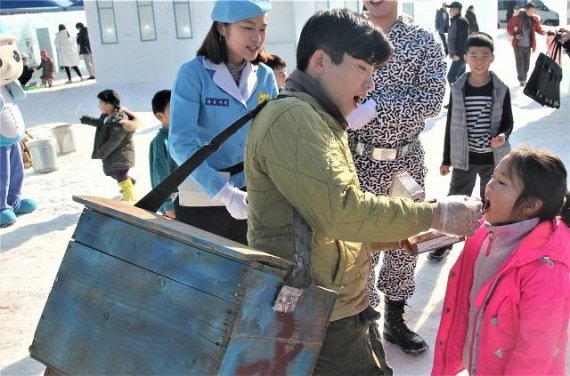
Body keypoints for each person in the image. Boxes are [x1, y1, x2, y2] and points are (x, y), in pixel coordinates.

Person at [245, 8, 482, 375]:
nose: (371, 84)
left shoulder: (320, 118)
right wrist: (436, 213)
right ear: (321, 61)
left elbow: (329, 228)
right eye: (363, 69)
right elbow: (342, 213)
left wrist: (404, 233)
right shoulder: (294, 119)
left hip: (339, 306)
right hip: (320, 311)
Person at [346, 0, 446, 354]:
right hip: (357, 159)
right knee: (358, 243)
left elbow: (433, 98)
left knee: (406, 240)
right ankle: (364, 313)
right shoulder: (348, 34)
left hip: (405, 161)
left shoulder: (422, 39)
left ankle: (395, 317)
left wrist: (376, 106)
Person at [432, 146, 570, 375]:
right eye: (494, 175)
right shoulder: (486, 232)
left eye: (501, 182)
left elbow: (535, 353)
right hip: (479, 363)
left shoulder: (545, 270)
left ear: (531, 205)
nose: (489, 185)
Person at [169, 0, 278, 245]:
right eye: (247, 28)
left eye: (262, 29)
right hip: (203, 197)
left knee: (252, 274)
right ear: (221, 28)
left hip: (253, 196)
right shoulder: (193, 74)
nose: (257, 38)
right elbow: (180, 144)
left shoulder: (265, 76)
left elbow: (272, 138)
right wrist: (224, 194)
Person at [431, 32, 514, 262]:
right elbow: (451, 125)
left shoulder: (500, 88)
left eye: (484, 55)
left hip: (492, 159)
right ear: (465, 58)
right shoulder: (458, 88)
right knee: (455, 202)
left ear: (492, 58)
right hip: (464, 158)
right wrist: (446, 158)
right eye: (474, 55)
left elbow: (508, 121)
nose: (479, 60)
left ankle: (489, 241)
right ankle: (445, 241)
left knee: (490, 202)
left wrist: (502, 135)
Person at [80, 90, 140, 202]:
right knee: (114, 174)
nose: (99, 105)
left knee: (120, 174)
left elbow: (115, 140)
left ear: (109, 105)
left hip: (121, 154)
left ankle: (130, 200)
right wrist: (86, 120)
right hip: (113, 155)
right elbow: (100, 123)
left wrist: (102, 152)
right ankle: (129, 183)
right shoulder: (106, 116)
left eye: (101, 102)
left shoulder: (120, 121)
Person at [149, 89, 178, 218]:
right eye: (175, 108)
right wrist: (168, 205)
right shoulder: (161, 142)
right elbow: (160, 176)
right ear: (161, 116)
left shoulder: (185, 136)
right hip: (175, 204)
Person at [507, 2, 546, 87]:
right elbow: (509, 27)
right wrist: (515, 34)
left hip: (528, 46)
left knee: (527, 65)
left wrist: (544, 32)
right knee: (520, 63)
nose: (532, 12)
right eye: (531, 10)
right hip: (518, 45)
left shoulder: (533, 19)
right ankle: (522, 79)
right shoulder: (518, 17)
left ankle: (524, 78)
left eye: (533, 11)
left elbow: (538, 28)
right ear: (526, 9)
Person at [446, 2, 469, 86]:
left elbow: (463, 39)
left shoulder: (460, 21)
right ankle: (461, 97)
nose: (449, 11)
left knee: (451, 77)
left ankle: (456, 97)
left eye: (451, 9)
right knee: (460, 78)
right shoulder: (455, 21)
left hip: (459, 56)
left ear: (457, 10)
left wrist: (458, 54)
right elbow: (452, 39)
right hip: (459, 55)